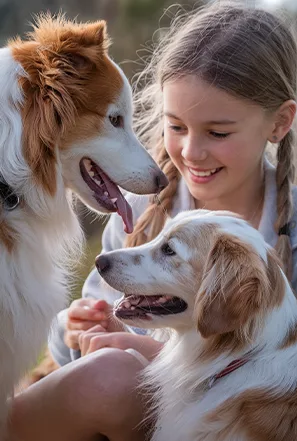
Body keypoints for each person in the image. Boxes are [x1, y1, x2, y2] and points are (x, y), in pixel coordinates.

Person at [8, 3, 297, 441]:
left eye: (217, 133)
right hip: (127, 413)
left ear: (280, 122)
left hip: (241, 417)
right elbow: (76, 355)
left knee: (118, 373)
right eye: (176, 126)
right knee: (109, 374)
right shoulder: (140, 214)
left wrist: (153, 355)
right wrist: (81, 330)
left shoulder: (288, 228)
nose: (192, 152)